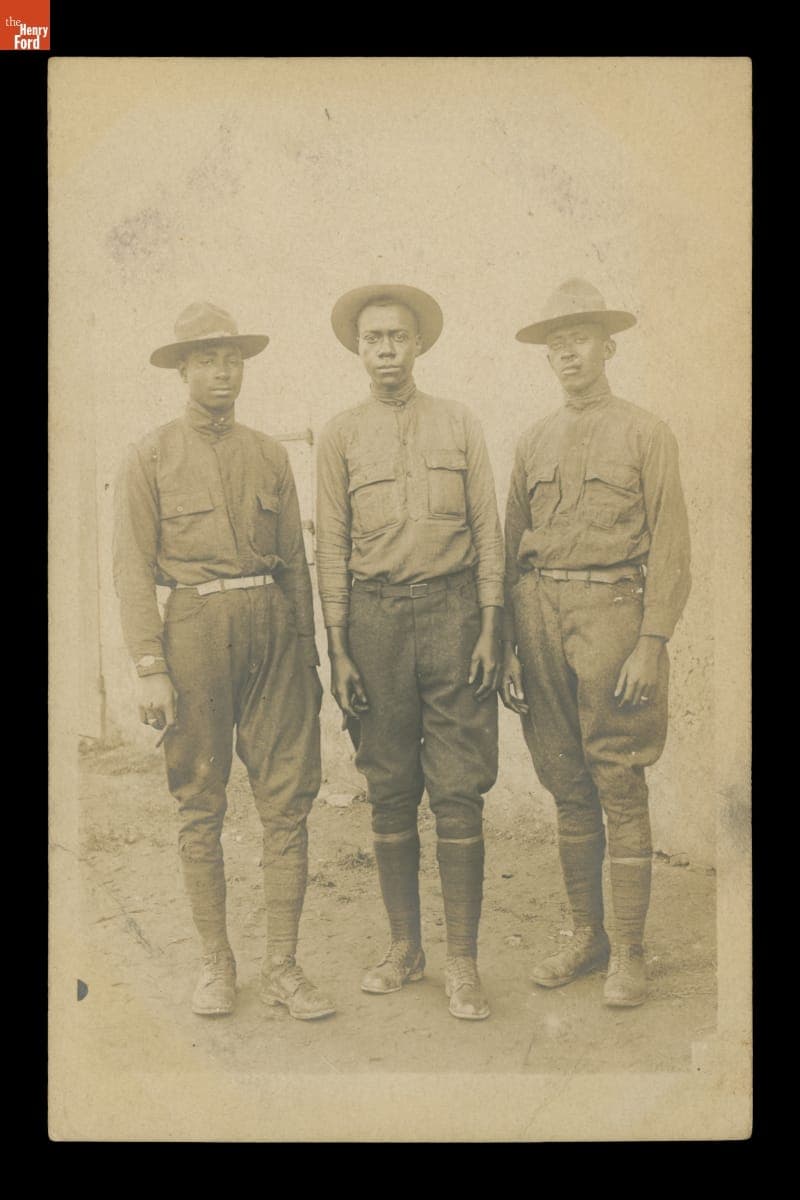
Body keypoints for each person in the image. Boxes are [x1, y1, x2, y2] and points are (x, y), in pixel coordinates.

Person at [113, 301, 335, 1021]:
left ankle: (283, 966)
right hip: (194, 631)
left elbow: (295, 563)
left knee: (287, 798)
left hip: (272, 628)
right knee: (199, 799)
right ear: (182, 370)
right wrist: (150, 666)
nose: (222, 372)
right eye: (207, 359)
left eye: (232, 359)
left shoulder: (269, 454)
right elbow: (130, 569)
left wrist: (307, 657)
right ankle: (216, 962)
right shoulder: (149, 456)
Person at [316, 284, 504, 1020]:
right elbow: (332, 548)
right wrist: (340, 648)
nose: (386, 350)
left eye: (398, 336)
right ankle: (404, 948)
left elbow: (488, 532)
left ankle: (463, 962)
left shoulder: (459, 423)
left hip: (455, 617)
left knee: (458, 789)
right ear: (358, 350)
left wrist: (489, 627)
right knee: (390, 787)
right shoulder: (340, 436)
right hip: (376, 623)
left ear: (418, 344)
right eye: (373, 339)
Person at [501, 279, 691, 1007]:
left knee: (618, 776)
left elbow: (671, 546)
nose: (568, 353)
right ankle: (588, 936)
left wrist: (652, 642)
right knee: (566, 780)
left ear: (607, 348)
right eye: (556, 344)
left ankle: (631, 952)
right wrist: (511, 644)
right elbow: (512, 547)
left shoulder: (646, 433)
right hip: (539, 614)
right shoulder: (532, 441)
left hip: (614, 612)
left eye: (579, 339)